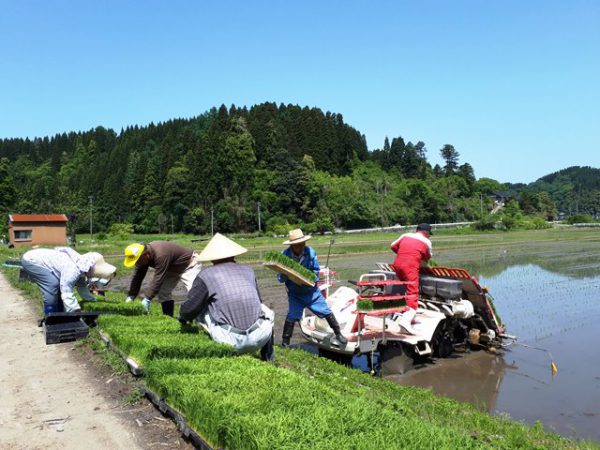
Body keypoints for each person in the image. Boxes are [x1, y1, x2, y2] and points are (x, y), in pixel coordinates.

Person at [178, 233, 274, 361]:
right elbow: (258, 301)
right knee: (265, 310)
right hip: (261, 337)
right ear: (233, 254)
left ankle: (219, 356)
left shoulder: (205, 275)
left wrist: (182, 318)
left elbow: (189, 309)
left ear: (212, 258)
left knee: (203, 308)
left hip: (230, 342)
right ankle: (268, 356)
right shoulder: (248, 270)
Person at [278, 228, 347, 347]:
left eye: (303, 243)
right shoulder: (284, 256)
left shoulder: (310, 252)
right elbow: (279, 278)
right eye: (298, 245)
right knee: (292, 316)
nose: (301, 246)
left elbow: (316, 271)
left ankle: (338, 333)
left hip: (311, 292)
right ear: (292, 245)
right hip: (295, 294)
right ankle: (285, 343)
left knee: (326, 311)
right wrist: (285, 275)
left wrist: (310, 280)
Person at [20, 247, 116, 315]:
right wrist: (74, 309)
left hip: (39, 258)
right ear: (90, 269)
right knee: (52, 284)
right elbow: (66, 290)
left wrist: (92, 300)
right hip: (32, 260)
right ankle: (51, 315)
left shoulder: (81, 267)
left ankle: (59, 312)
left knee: (56, 284)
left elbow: (82, 287)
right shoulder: (73, 270)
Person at [123, 241, 202, 316]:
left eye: (138, 261)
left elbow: (158, 277)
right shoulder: (143, 257)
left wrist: (147, 298)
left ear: (146, 255)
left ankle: (200, 319)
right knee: (163, 292)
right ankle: (169, 318)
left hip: (190, 264)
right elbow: (137, 277)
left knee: (195, 293)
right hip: (172, 267)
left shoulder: (161, 254)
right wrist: (131, 296)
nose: (137, 263)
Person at [390, 223, 433, 334]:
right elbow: (427, 258)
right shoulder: (426, 242)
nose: (429, 236)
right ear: (426, 233)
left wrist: (404, 253)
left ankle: (410, 317)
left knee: (406, 289)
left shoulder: (405, 235)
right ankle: (406, 321)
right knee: (413, 293)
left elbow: (393, 246)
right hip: (410, 268)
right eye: (429, 234)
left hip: (397, 266)